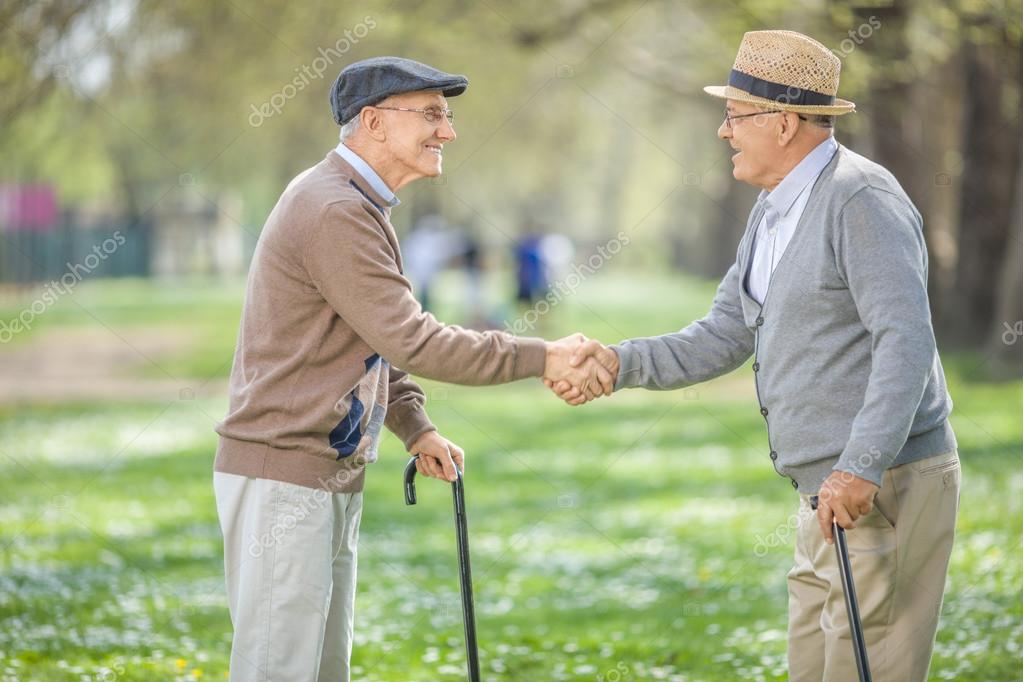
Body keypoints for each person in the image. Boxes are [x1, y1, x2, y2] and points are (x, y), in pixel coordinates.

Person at [551, 30, 960, 682]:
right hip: (821, 496)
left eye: (735, 116)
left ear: (785, 122)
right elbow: (724, 333)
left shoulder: (859, 200)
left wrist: (860, 467)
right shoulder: (772, 211)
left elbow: (904, 340)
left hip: (883, 487)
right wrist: (616, 362)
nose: (722, 132)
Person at [213, 56, 611, 682]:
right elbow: (417, 340)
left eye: (446, 117)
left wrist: (414, 426)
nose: (448, 131)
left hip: (321, 473)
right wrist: (544, 356)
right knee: (277, 671)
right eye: (431, 115)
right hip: (284, 476)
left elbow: (373, 341)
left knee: (320, 671)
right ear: (373, 122)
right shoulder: (334, 209)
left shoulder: (358, 204)